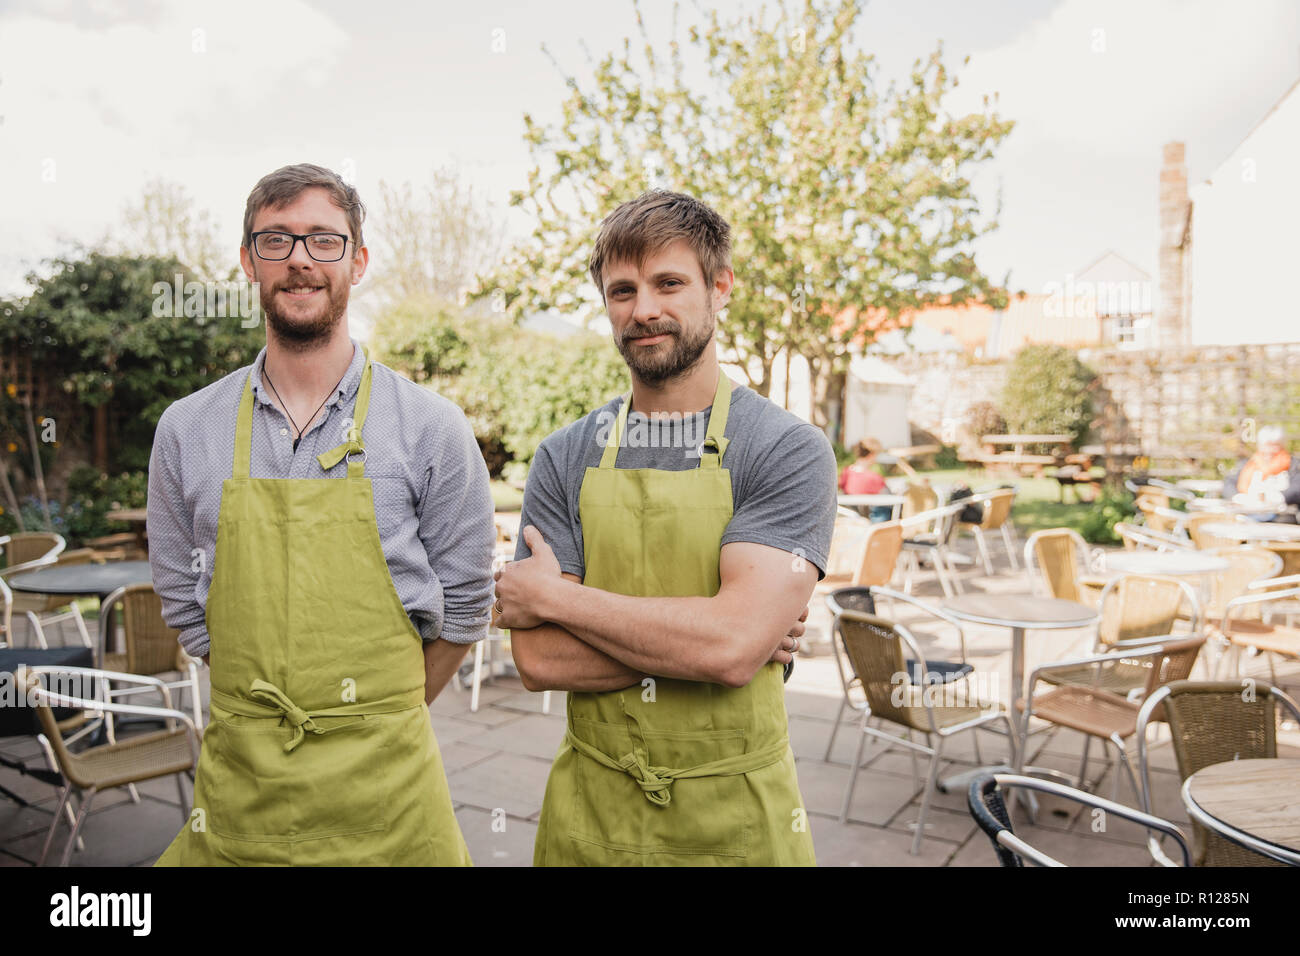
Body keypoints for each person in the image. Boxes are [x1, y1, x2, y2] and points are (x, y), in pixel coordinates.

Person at [148, 163, 494, 865]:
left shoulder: (432, 427)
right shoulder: (186, 430)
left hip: (390, 803)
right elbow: (186, 606)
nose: (300, 259)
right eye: (275, 240)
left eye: (324, 240)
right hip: (244, 798)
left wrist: (373, 718)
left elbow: (465, 606)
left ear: (357, 261)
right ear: (248, 261)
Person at [494, 189, 836, 866]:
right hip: (590, 820)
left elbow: (731, 648)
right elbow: (538, 661)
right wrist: (711, 639)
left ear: (720, 288)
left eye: (669, 283)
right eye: (622, 290)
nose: (643, 308)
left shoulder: (783, 448)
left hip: (736, 821)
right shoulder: (567, 454)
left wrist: (557, 601)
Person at [1223, 425, 1300, 520]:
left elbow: (1297, 488)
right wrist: (1237, 497)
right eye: (1266, 445)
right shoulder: (1249, 464)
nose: (1269, 450)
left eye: (1274, 445)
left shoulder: (1293, 465)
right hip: (1248, 513)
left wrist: (1276, 497)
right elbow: (1228, 483)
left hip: (1280, 515)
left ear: (1282, 445)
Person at [838, 438, 892, 521]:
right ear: (871, 455)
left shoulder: (846, 473)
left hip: (850, 517)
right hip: (871, 520)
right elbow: (889, 498)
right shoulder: (873, 478)